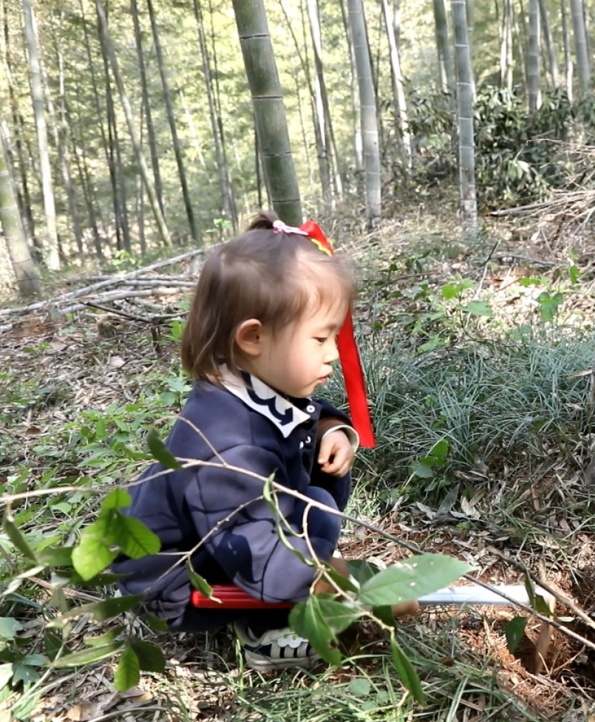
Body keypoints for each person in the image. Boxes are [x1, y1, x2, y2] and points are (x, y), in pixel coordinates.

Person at [113, 212, 414, 670]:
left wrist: (328, 429)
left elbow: (297, 412)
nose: (333, 353)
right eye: (320, 338)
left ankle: (284, 590)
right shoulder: (224, 444)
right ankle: (265, 633)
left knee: (315, 500)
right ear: (253, 337)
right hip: (179, 581)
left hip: (229, 538)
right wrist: (355, 590)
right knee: (301, 537)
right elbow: (252, 554)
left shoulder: (248, 384)